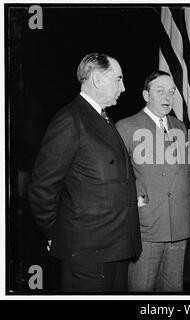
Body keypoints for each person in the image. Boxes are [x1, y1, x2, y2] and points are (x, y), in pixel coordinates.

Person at [28, 53, 142, 293]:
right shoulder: (71, 118)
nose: (123, 87)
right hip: (87, 252)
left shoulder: (102, 118)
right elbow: (43, 188)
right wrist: (55, 234)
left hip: (115, 246)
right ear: (98, 80)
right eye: (118, 79)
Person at [115, 70, 190, 292]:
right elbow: (117, 176)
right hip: (146, 223)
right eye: (160, 91)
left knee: (173, 289)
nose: (167, 97)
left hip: (178, 222)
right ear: (145, 95)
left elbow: (188, 169)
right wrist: (132, 202)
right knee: (141, 289)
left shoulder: (179, 127)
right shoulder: (126, 127)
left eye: (171, 92)